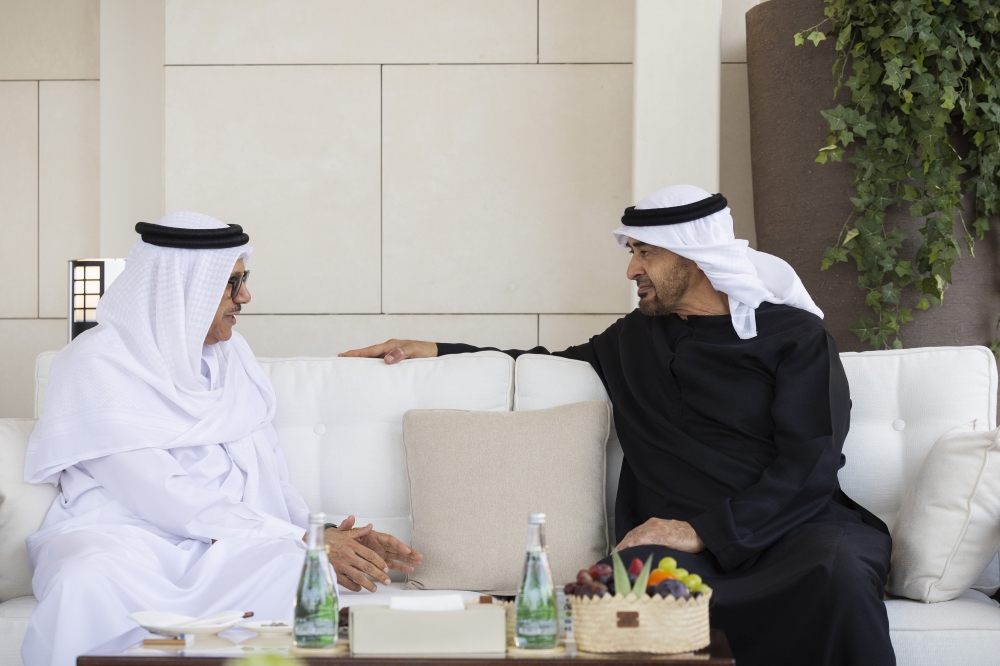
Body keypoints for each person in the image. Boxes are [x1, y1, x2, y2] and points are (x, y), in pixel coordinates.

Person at [342, 185, 895, 666]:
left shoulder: (795, 337)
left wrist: (705, 530)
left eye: (645, 253)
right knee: (627, 590)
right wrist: (433, 350)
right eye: (633, 253)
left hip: (791, 530)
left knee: (840, 573)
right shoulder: (635, 339)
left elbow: (811, 460)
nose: (632, 270)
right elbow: (539, 361)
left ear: (694, 256)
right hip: (671, 550)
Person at [22, 212, 422, 666]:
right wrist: (302, 539)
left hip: (227, 544)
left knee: (294, 571)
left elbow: (270, 477)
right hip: (123, 542)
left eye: (243, 280)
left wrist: (321, 538)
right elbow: (163, 494)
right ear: (180, 290)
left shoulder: (233, 357)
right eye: (231, 283)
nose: (245, 297)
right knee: (86, 580)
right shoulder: (94, 365)